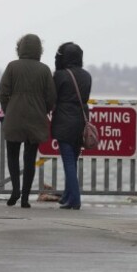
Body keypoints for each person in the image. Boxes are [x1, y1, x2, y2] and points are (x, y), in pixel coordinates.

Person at [0, 34, 56, 208]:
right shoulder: (44, 70)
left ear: (20, 48)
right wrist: (43, 110)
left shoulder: (12, 67)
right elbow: (51, 97)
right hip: (36, 118)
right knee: (30, 159)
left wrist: (8, 109)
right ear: (39, 50)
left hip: (14, 117)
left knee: (12, 155)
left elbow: (3, 91)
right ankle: (25, 198)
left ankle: (15, 189)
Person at [51, 42, 92, 210]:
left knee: (68, 161)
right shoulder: (87, 75)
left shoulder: (60, 75)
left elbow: (53, 97)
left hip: (64, 120)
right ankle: (68, 195)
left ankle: (74, 199)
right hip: (81, 121)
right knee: (73, 160)